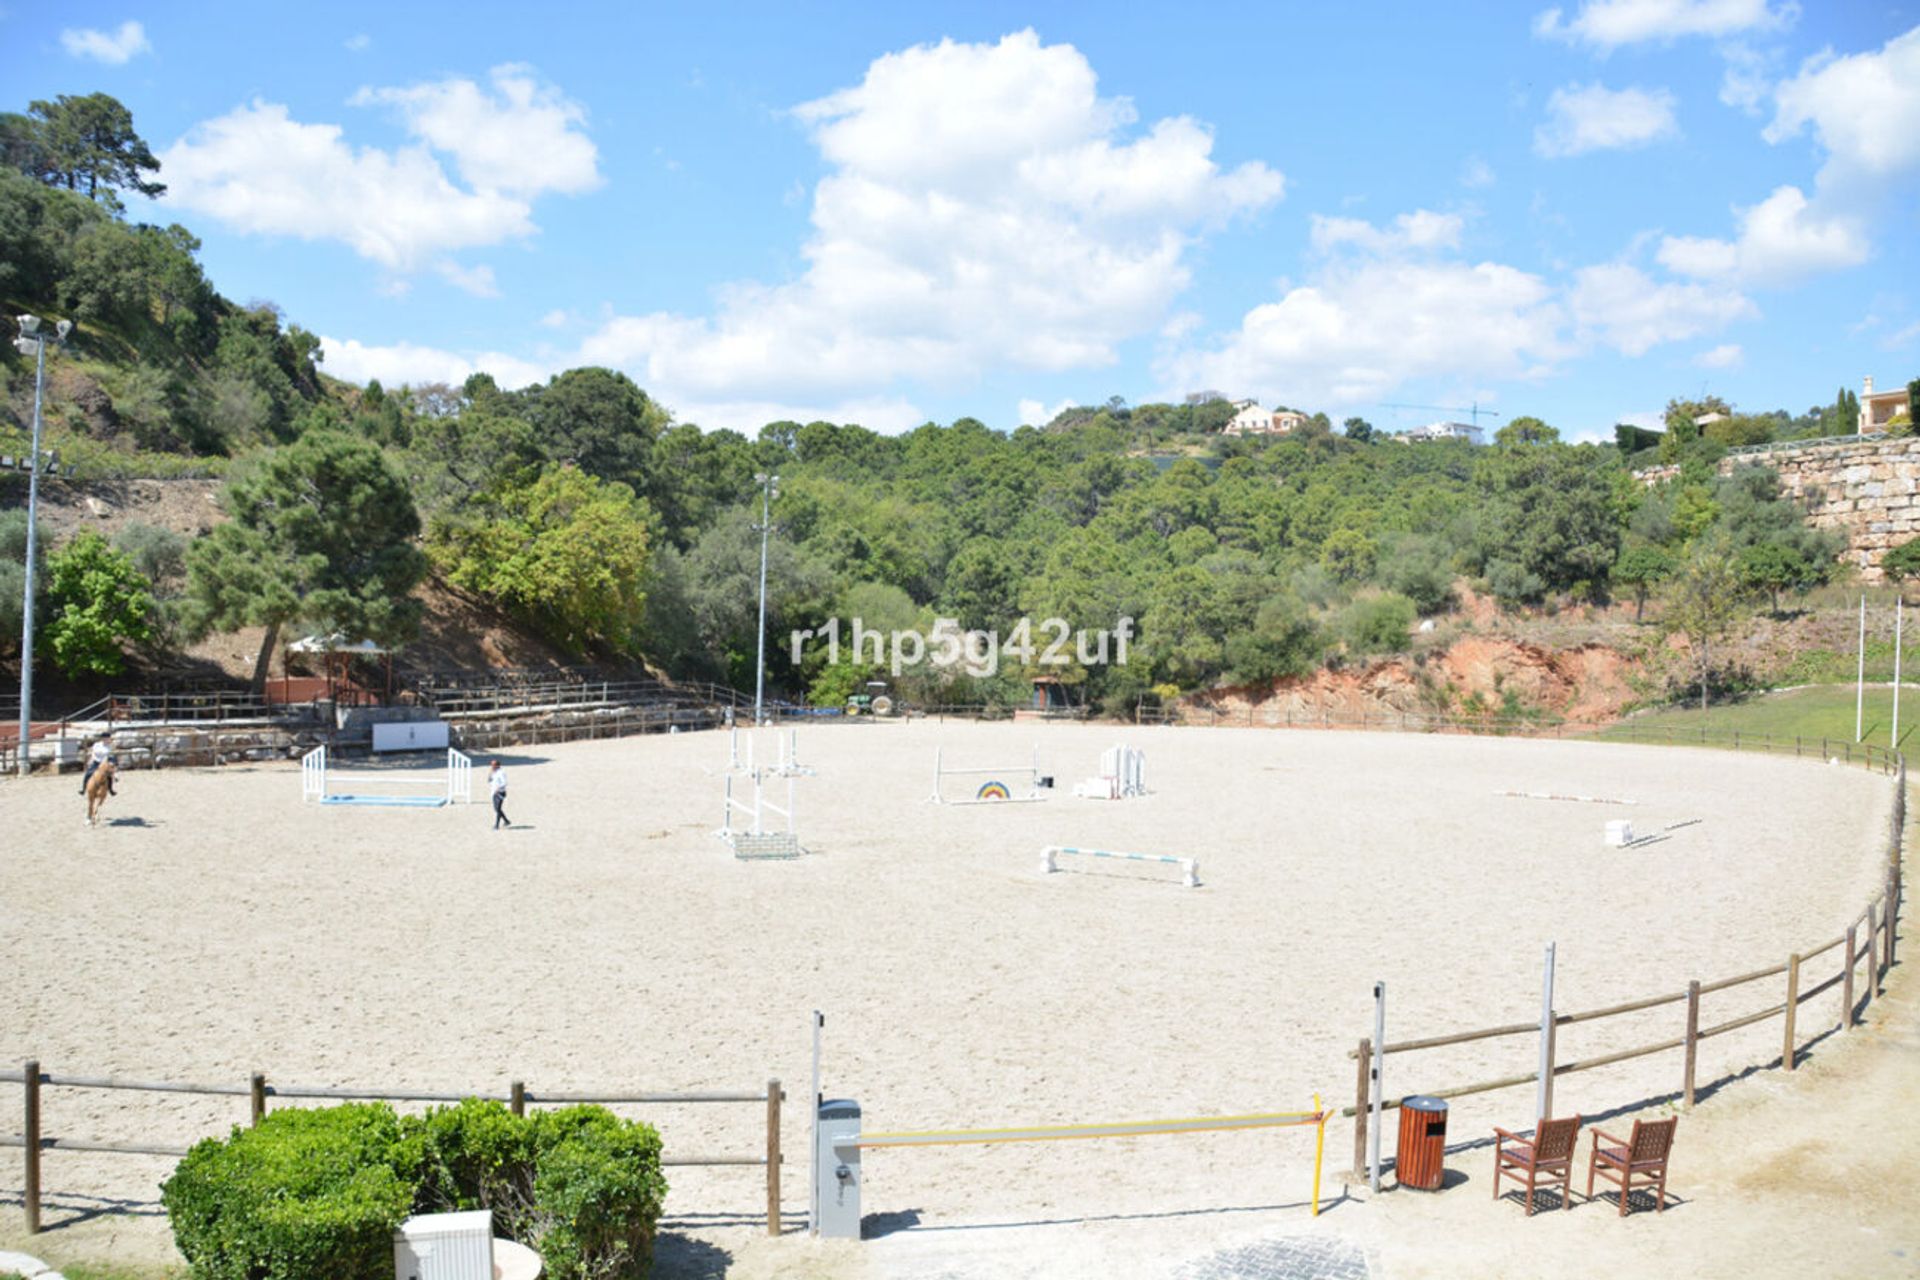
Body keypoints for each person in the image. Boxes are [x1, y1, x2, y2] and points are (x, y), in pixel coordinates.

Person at [488, 759, 509, 829]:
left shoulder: (501, 773)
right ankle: (506, 820)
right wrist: (490, 775)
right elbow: (490, 781)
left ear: (498, 765)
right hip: (494, 792)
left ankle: (496, 825)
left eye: (493, 765)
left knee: (498, 809)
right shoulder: (493, 772)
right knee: (496, 809)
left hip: (500, 792)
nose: (492, 766)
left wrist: (498, 788)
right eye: (491, 765)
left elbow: (504, 783)